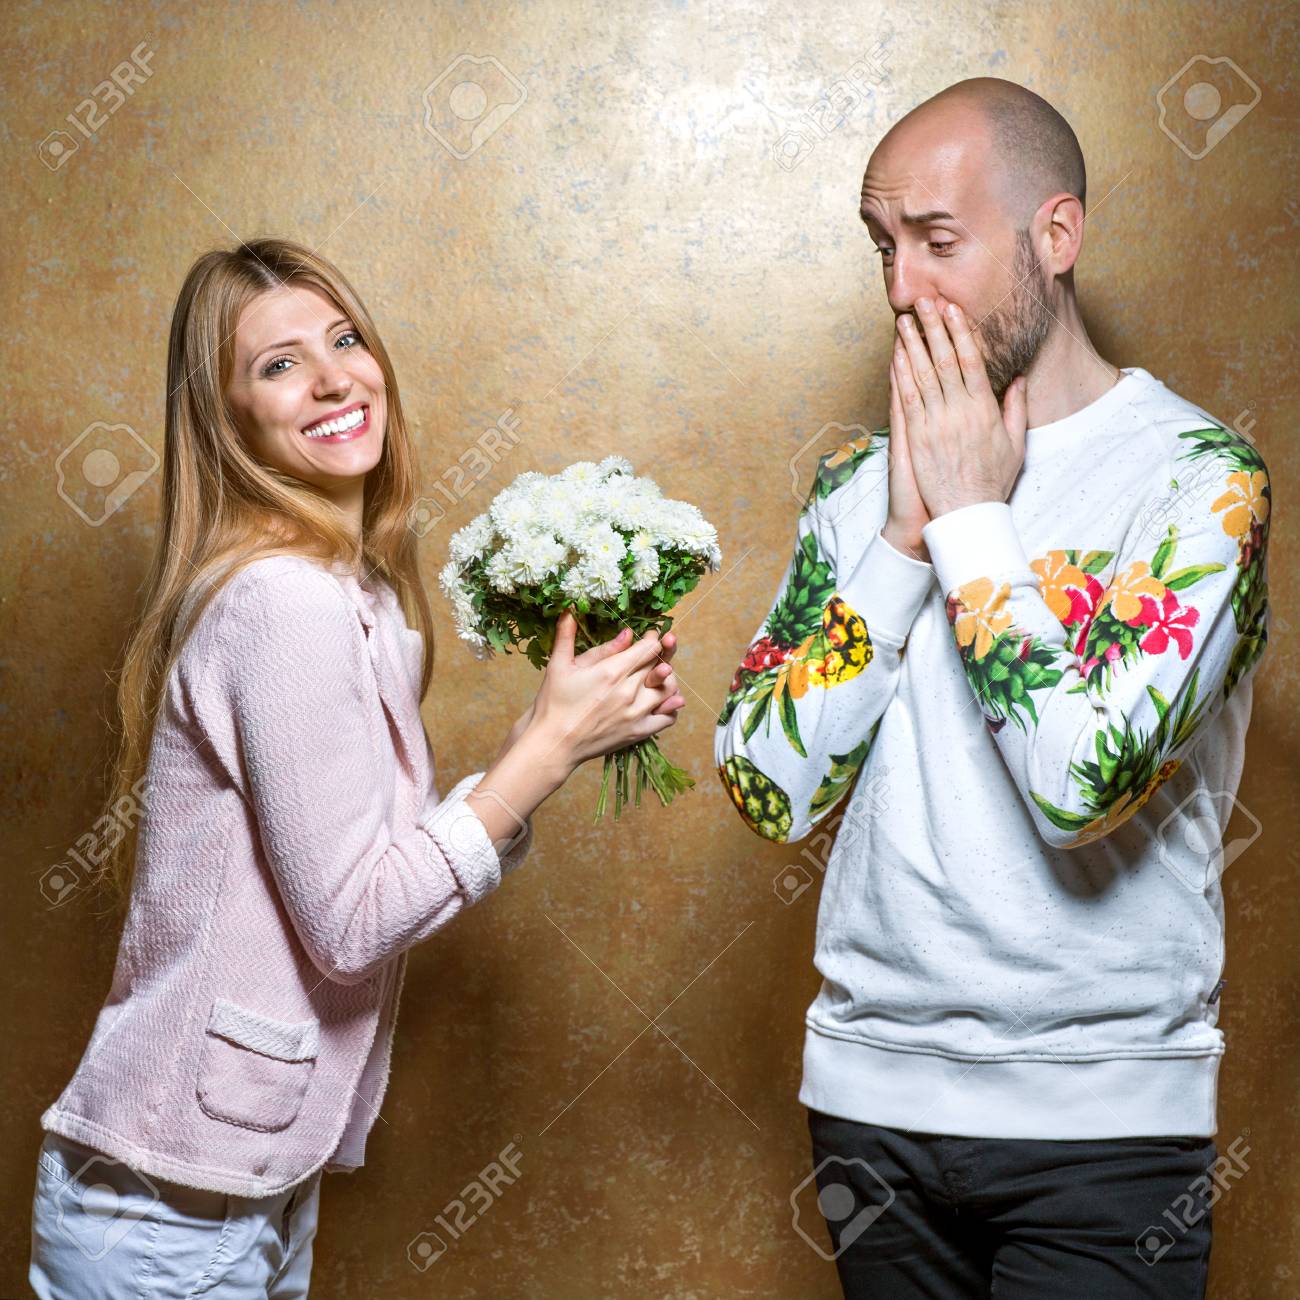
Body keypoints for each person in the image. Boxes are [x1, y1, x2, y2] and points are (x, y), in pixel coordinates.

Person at [29, 237, 686, 1298]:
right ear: (226, 414)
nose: (335, 376)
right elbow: (352, 922)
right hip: (162, 1208)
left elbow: (369, 860)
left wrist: (559, 733)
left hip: (245, 1185)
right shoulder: (280, 602)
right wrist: (542, 750)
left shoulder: (363, 597)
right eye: (279, 363)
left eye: (344, 339)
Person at [715, 76, 1269, 1298]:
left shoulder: (1200, 484)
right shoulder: (856, 490)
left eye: (938, 242)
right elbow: (767, 784)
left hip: (1106, 1133)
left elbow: (1081, 785)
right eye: (883, 247)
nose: (904, 289)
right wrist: (901, 540)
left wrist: (969, 519)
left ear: (1054, 236)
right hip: (867, 1109)